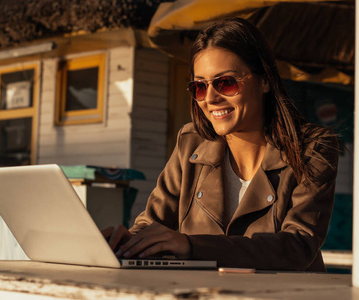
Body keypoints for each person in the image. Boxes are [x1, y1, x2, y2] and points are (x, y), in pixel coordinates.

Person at [102, 17, 339, 271]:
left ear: (265, 80)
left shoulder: (312, 149)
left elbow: (296, 247)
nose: (211, 98)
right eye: (200, 87)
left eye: (226, 82)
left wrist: (192, 246)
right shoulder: (189, 144)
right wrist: (129, 242)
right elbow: (152, 224)